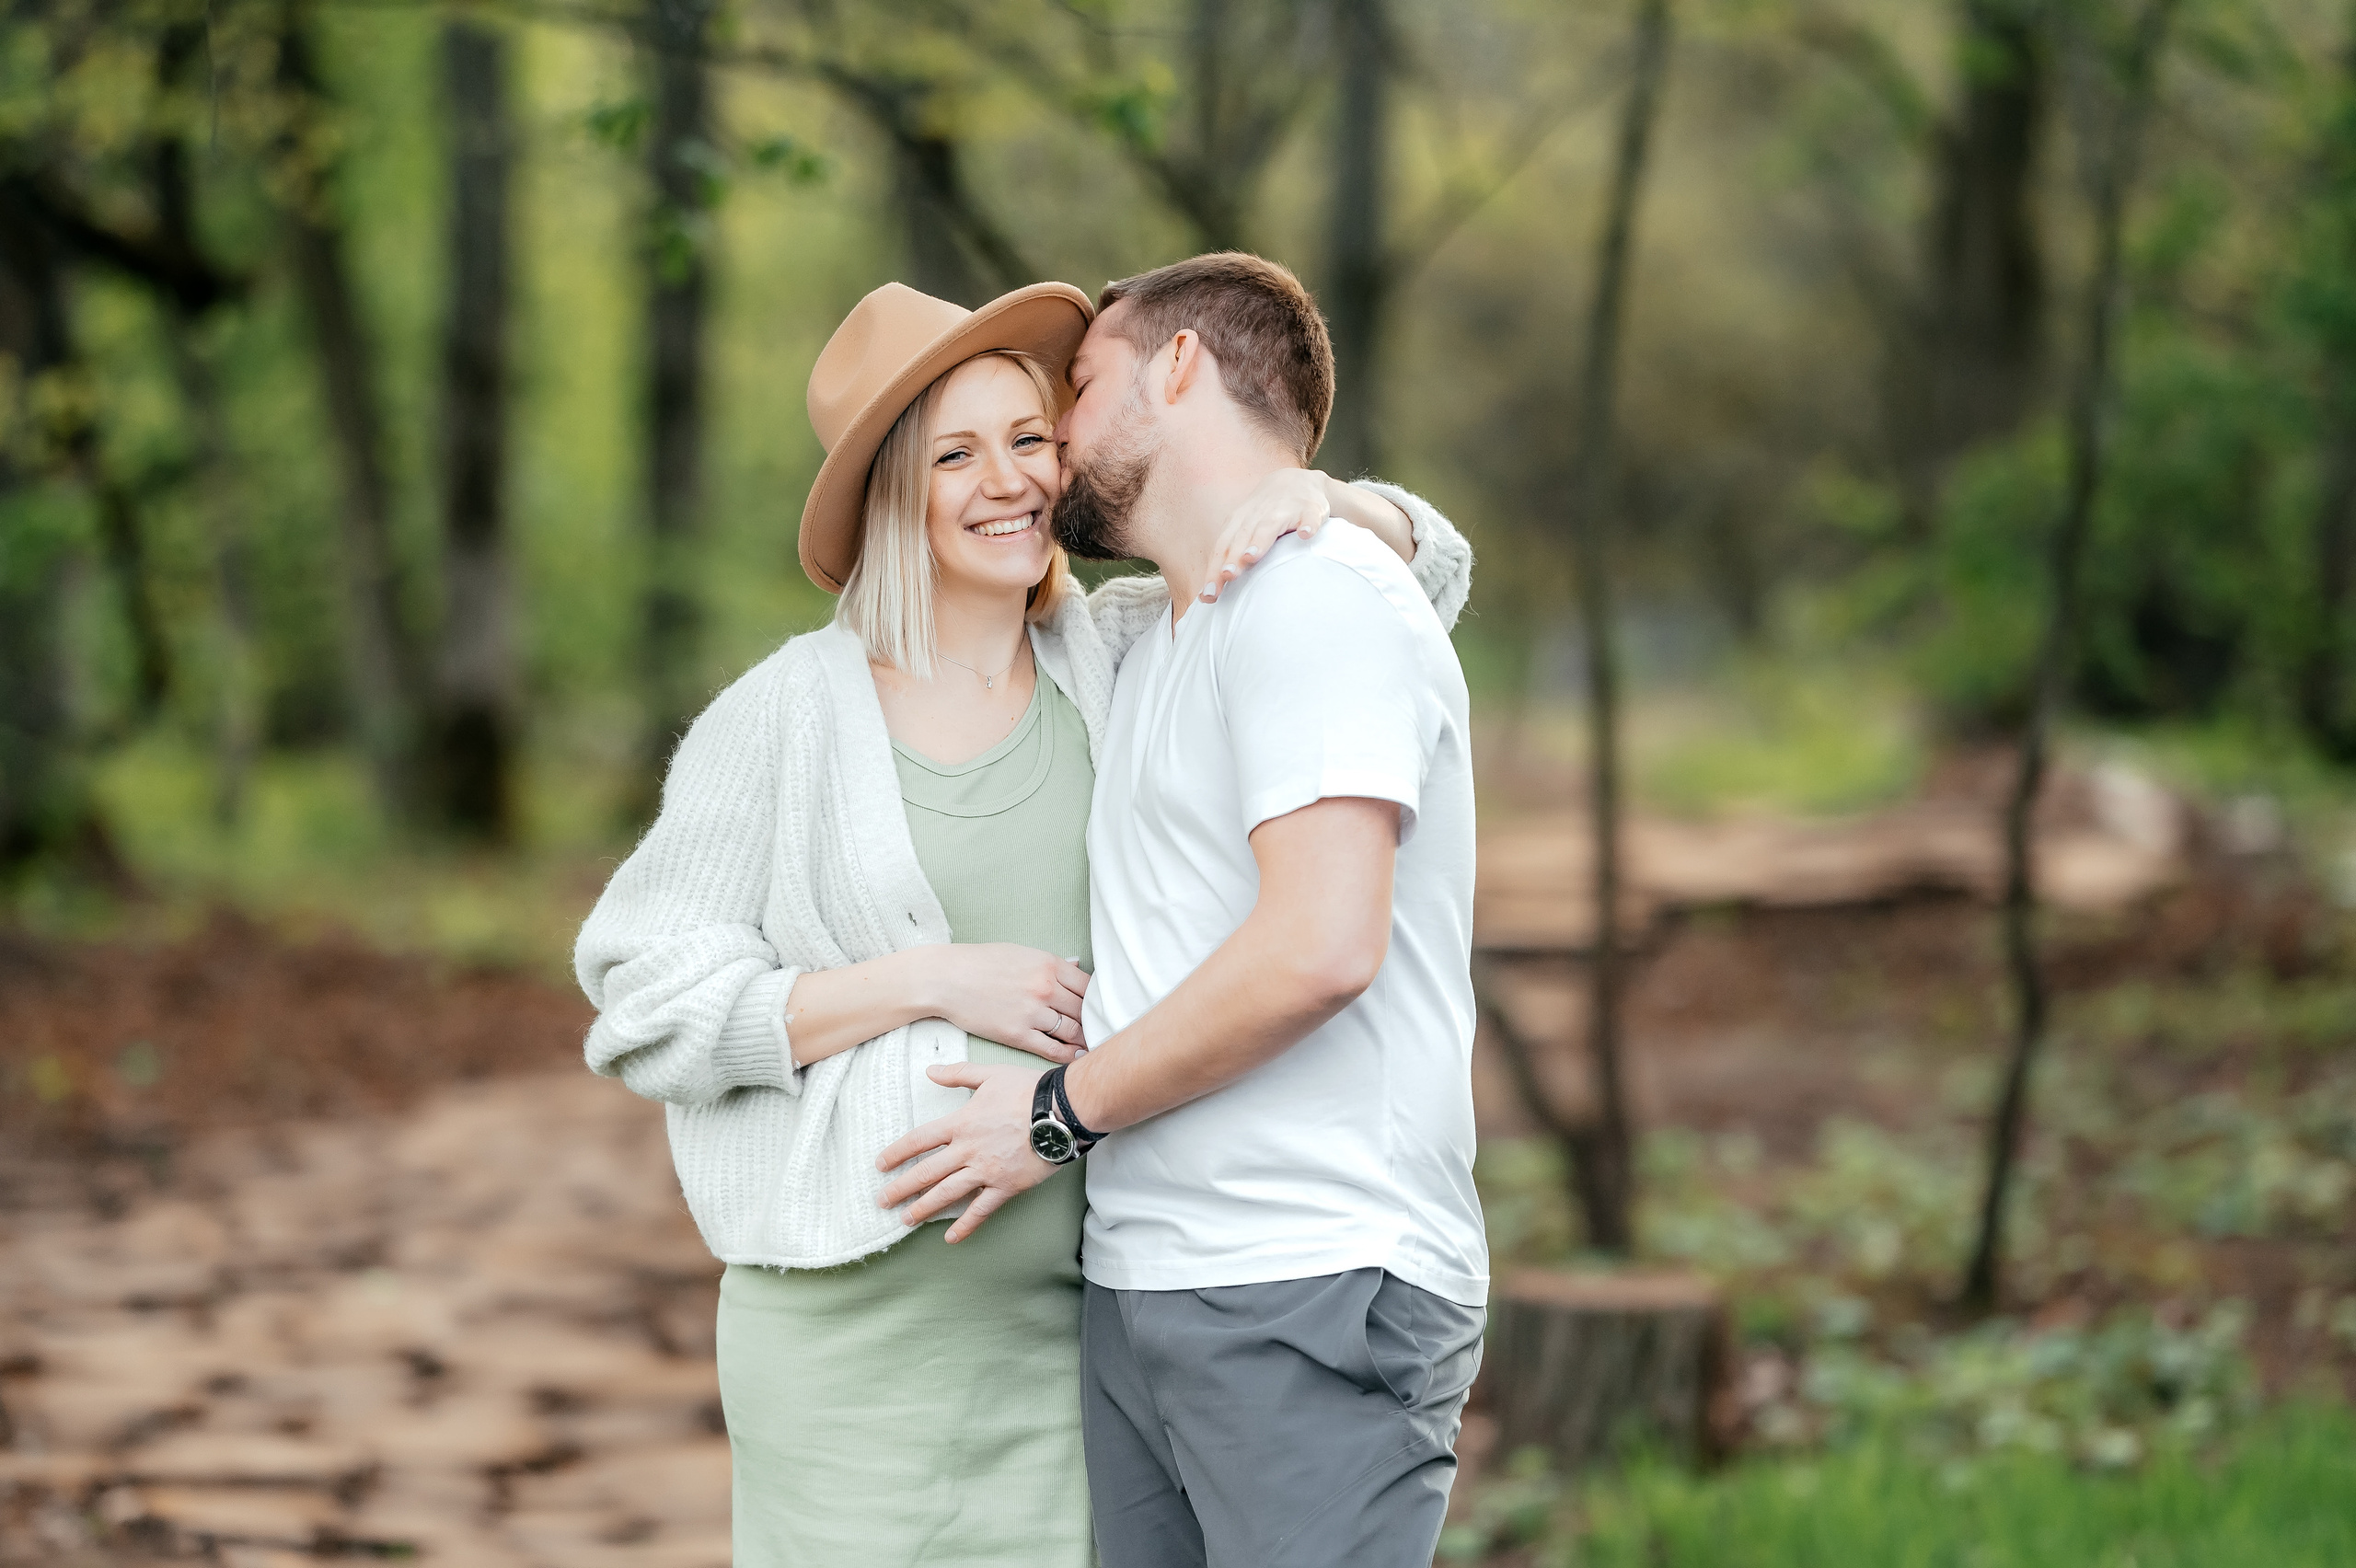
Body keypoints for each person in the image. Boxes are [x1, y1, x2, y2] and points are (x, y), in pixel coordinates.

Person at [572, 275, 1474, 1568]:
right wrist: (926, 981)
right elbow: (644, 1007)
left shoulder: (1120, 652)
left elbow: (1405, 588)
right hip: (857, 1341)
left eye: (1030, 438)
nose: (1008, 480)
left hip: (1083, 1327)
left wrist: (1331, 498)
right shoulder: (783, 719)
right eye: (954, 453)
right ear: (896, 491)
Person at [879, 253, 1487, 1568]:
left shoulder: (1316, 589)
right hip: (1149, 1281)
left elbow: (1322, 945)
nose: (1047, 457)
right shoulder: (1145, 632)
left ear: (1178, 365)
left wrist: (1055, 1113)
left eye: (1074, 392)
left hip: (1309, 1271)